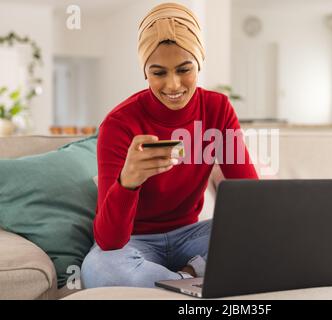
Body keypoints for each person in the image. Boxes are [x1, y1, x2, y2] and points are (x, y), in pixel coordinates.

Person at [81, 2, 258, 288]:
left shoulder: (217, 109)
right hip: (133, 243)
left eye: (183, 69)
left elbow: (252, 201)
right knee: (99, 269)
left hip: (191, 236)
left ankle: (176, 281)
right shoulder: (119, 123)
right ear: (145, 72)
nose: (173, 85)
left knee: (263, 235)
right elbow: (109, 240)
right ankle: (187, 279)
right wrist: (129, 182)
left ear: (199, 62)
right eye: (159, 72)